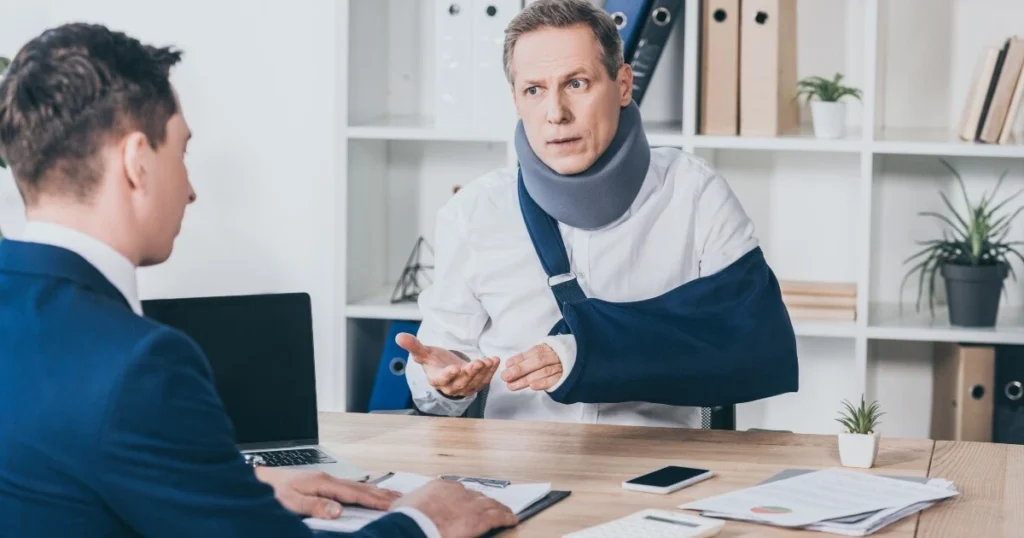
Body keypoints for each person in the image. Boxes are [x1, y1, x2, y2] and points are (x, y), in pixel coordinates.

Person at [0, 23, 516, 538]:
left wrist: (239, 484)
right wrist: (424, 521)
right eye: (181, 153)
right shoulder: (139, 365)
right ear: (137, 163)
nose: (191, 190)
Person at [399, 0, 799, 428]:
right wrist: (444, 382)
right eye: (534, 90)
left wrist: (580, 353)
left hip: (655, 471)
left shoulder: (694, 193)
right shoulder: (473, 212)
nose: (556, 113)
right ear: (515, 100)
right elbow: (440, 372)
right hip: (517, 473)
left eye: (576, 83)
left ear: (623, 84)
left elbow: (755, 342)